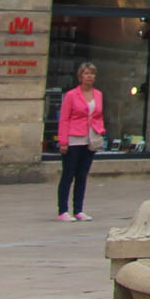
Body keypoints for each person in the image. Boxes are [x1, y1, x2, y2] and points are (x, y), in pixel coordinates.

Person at [55, 61, 106, 221]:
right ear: (80, 76)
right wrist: (63, 141)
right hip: (73, 138)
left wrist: (100, 130)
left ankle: (79, 209)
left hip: (90, 138)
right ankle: (63, 210)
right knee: (68, 174)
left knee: (82, 175)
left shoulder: (98, 94)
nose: (89, 76)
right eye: (86, 73)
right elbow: (64, 119)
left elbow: (98, 115)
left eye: (92, 73)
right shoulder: (71, 95)